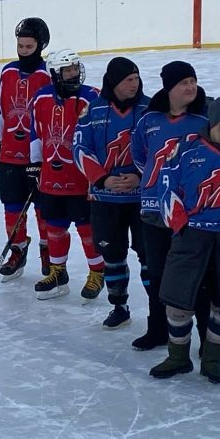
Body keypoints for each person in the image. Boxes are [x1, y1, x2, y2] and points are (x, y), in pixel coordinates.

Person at [152, 96, 220, 384]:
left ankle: (212, 361)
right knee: (177, 301)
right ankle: (178, 358)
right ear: (218, 120)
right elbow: (166, 187)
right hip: (193, 235)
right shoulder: (185, 152)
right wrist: (181, 224)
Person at [129, 61, 210, 351]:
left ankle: (204, 338)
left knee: (195, 276)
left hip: (190, 214)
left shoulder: (204, 123)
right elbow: (140, 155)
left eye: (193, 81)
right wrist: (156, 184)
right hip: (152, 210)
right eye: (183, 83)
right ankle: (158, 329)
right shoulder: (149, 120)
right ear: (169, 88)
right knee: (157, 273)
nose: (190, 87)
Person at [75, 56, 150, 329]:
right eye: (128, 79)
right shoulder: (92, 111)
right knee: (112, 256)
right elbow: (80, 149)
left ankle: (157, 311)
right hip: (105, 199)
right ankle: (119, 305)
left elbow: (164, 151)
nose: (135, 84)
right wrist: (103, 179)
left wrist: (142, 177)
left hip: (144, 199)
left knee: (149, 256)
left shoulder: (150, 109)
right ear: (114, 82)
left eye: (137, 78)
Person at [28, 49, 104, 299]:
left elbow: (101, 138)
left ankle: (97, 272)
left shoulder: (93, 97)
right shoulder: (41, 97)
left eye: (75, 68)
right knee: (54, 226)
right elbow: (35, 133)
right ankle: (58, 271)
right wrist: (34, 166)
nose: (73, 73)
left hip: (81, 179)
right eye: (67, 69)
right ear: (55, 73)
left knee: (87, 229)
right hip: (51, 176)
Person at [0, 16, 52, 278]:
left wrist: (45, 154)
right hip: (10, 153)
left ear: (40, 45)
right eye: (20, 46)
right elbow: (0, 109)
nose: (23, 51)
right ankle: (18, 249)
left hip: (39, 156)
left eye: (28, 46)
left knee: (43, 208)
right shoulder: (8, 71)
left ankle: (49, 253)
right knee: (12, 206)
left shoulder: (47, 74)